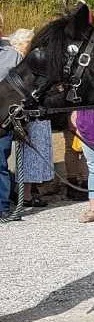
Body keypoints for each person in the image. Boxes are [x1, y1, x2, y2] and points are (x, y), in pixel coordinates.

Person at [9, 29, 53, 208]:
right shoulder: (20, 62)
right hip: (28, 115)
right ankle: (25, 194)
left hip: (34, 114)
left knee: (33, 154)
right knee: (30, 155)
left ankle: (28, 191)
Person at [0, 15, 22, 220]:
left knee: (0, 164)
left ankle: (2, 207)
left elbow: (24, 87)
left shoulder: (13, 56)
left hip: (2, 121)